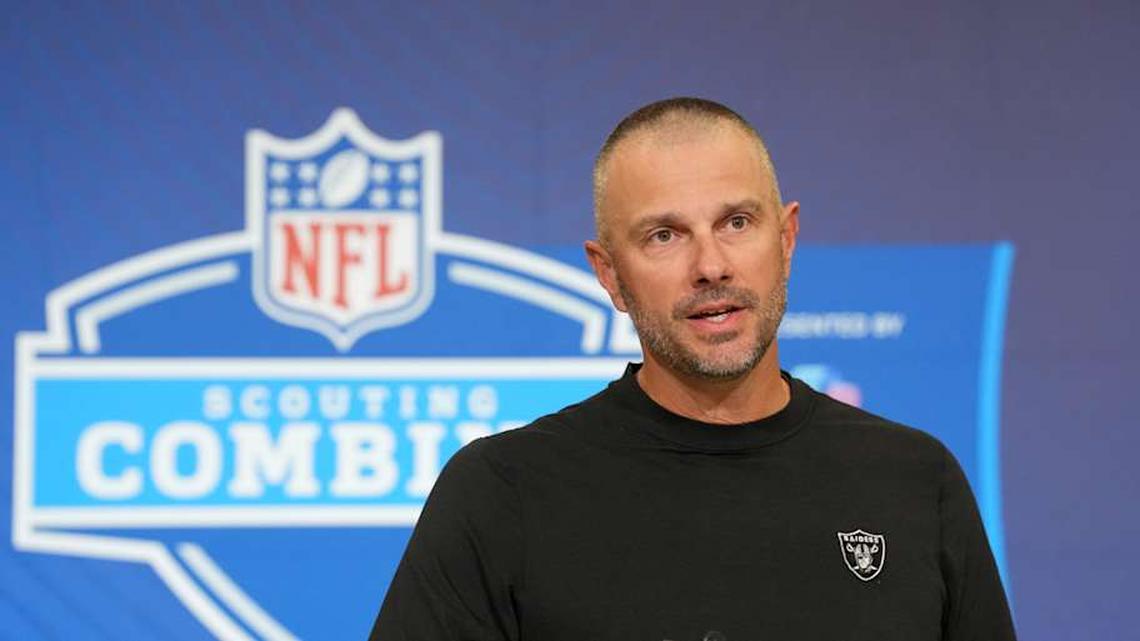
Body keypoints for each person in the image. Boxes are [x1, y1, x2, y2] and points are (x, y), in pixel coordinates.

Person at [368, 97, 1016, 641]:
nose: (711, 266)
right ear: (610, 275)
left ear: (786, 240)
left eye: (737, 222)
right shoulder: (502, 492)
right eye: (664, 236)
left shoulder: (913, 481)